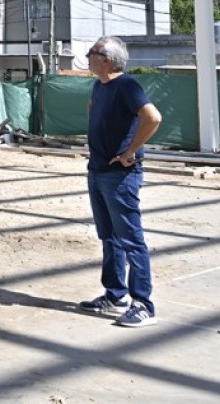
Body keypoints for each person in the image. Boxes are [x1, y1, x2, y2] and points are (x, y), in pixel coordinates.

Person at [78, 36, 162, 327]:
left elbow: (152, 117)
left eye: (93, 52)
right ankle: (115, 294)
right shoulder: (99, 85)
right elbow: (93, 109)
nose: (88, 55)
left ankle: (143, 304)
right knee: (109, 237)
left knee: (131, 239)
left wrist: (129, 152)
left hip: (120, 175)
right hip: (98, 170)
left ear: (108, 60)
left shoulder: (127, 85)